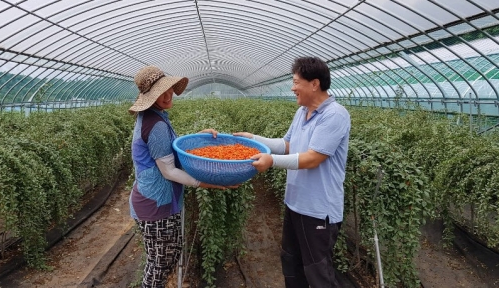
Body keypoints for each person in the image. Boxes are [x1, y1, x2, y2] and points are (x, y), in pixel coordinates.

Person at [234, 56, 350, 288]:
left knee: (318, 273)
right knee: (292, 265)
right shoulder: (302, 112)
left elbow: (313, 158)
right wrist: (254, 139)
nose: (292, 87)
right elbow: (288, 144)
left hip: (318, 211)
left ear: (314, 84)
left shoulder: (334, 115)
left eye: (296, 82)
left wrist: (271, 161)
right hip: (295, 204)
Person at [128, 65, 232, 287]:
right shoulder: (154, 124)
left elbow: (167, 148)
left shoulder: (155, 117)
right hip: (155, 205)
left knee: (167, 255)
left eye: (168, 89)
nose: (168, 95)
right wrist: (206, 183)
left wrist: (197, 137)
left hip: (157, 201)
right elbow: (168, 171)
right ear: (150, 97)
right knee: (159, 262)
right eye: (160, 93)